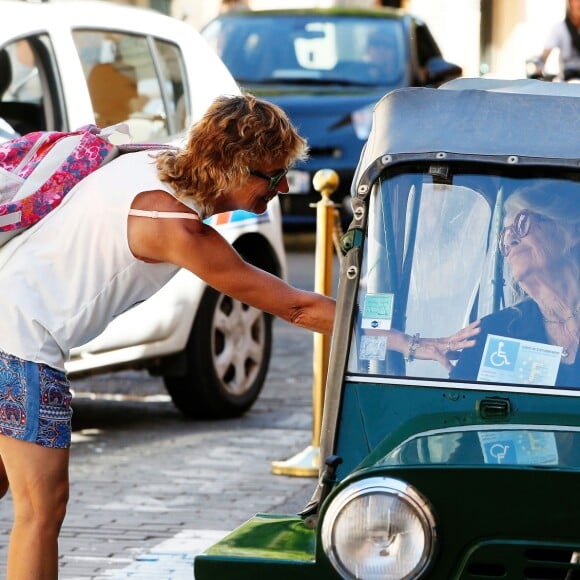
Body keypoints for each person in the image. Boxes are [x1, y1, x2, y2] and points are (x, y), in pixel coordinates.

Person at [451, 182, 579, 387]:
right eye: (504, 235)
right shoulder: (491, 333)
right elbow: (454, 410)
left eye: (522, 223)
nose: (510, 240)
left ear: (572, 233)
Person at [537, 0, 580, 80]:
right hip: (568, 79)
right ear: (571, 3)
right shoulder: (559, 28)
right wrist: (539, 69)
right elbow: (546, 53)